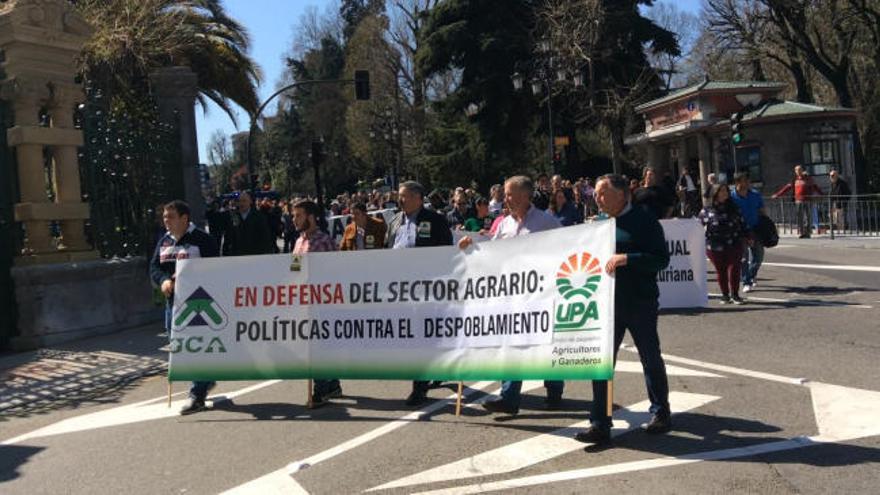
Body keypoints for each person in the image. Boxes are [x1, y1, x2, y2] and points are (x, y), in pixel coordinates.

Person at [574, 174, 672, 446]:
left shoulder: (644, 221)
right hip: (606, 304)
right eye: (595, 193)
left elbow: (661, 260)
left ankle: (661, 412)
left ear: (622, 194)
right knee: (602, 363)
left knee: (650, 357)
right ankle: (599, 422)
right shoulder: (599, 225)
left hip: (640, 302)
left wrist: (628, 258)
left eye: (603, 193)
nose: (597, 198)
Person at [459, 176, 565, 415]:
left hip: (542, 293)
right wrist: (471, 245)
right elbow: (491, 252)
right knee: (512, 344)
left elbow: (566, 246)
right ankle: (509, 398)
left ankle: (554, 390)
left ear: (525, 196)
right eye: (505, 194)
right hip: (513, 296)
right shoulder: (504, 224)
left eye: (510, 194)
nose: (505, 199)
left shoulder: (546, 222)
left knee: (545, 343)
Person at [386, 181, 454, 406]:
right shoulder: (395, 222)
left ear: (418, 197)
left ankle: (419, 387)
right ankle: (433, 370)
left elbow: (446, 252)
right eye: (399, 196)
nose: (400, 200)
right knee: (410, 338)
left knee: (422, 336)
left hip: (427, 289)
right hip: (401, 290)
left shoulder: (435, 220)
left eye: (404, 196)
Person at [149, 200, 220, 415]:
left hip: (200, 303)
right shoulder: (164, 241)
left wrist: (191, 279)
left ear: (184, 218)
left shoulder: (203, 240)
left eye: (170, 217)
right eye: (164, 217)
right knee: (177, 343)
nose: (166, 221)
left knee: (194, 345)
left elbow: (216, 268)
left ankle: (197, 394)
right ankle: (205, 381)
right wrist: (163, 280)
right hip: (174, 303)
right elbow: (154, 267)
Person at [291, 199, 342, 408]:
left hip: (323, 302)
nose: (294, 219)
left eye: (298, 215)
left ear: (310, 217)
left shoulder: (324, 241)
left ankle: (321, 389)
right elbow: (294, 270)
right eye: (294, 216)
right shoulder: (298, 242)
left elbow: (335, 271)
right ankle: (332, 384)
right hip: (305, 301)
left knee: (319, 346)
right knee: (315, 346)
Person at [700, 184, 750, 304]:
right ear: (715, 194)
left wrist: (748, 236)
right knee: (721, 271)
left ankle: (735, 295)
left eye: (726, 191)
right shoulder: (706, 210)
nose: (724, 193)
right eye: (721, 191)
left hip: (734, 243)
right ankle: (725, 295)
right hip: (714, 246)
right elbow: (697, 226)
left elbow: (743, 223)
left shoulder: (734, 208)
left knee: (734, 268)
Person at [730, 172, 766, 293]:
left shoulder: (755, 195)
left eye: (748, 180)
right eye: (744, 181)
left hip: (755, 229)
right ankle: (746, 281)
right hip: (739, 231)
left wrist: (766, 225)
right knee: (743, 258)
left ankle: (750, 275)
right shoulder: (731, 197)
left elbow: (762, 211)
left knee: (759, 257)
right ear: (737, 182)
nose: (747, 183)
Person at [771, 165, 822, 238]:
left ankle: (808, 233)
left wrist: (821, 194)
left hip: (808, 200)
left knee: (808, 217)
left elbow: (815, 187)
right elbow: (787, 188)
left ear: (802, 170)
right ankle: (802, 232)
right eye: (797, 170)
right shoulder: (794, 180)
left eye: (800, 170)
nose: (799, 171)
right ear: (795, 172)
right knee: (800, 217)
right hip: (798, 201)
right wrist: (778, 194)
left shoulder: (808, 179)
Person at [223, 190, 275, 256]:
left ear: (250, 201)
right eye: (239, 201)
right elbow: (228, 237)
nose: (241, 203)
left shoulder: (259, 217)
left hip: (255, 254)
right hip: (237, 255)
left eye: (244, 201)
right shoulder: (233, 216)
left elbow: (265, 237)